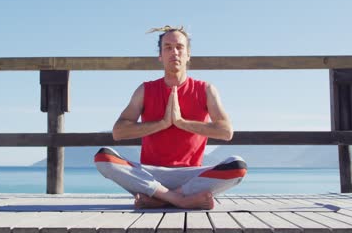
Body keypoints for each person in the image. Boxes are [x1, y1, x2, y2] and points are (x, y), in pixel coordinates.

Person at [94, 25, 247, 210]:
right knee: (103, 157)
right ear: (160, 56)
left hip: (191, 176)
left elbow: (226, 132)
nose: (174, 52)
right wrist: (163, 123)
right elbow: (118, 132)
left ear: (188, 54)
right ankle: (181, 199)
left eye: (179, 47)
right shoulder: (145, 90)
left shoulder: (205, 90)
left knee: (237, 166)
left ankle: (160, 198)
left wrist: (181, 122)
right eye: (167, 47)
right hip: (151, 175)